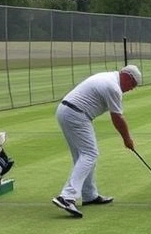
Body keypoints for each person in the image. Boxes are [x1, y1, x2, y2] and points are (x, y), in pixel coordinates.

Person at [52, 65, 142, 218]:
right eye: (132, 85)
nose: (131, 89)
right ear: (126, 77)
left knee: (82, 156)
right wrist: (127, 139)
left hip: (66, 111)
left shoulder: (108, 77)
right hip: (76, 114)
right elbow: (117, 118)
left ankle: (89, 195)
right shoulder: (113, 87)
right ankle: (67, 197)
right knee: (90, 154)